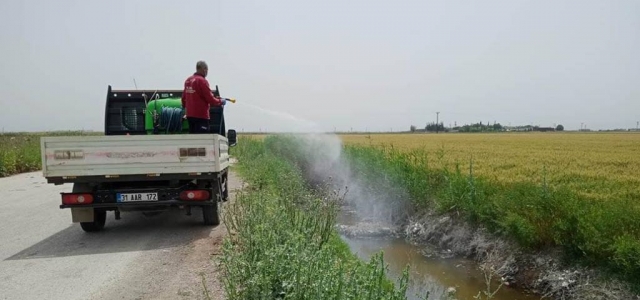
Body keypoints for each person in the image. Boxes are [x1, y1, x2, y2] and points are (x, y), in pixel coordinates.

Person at [181, 60, 226, 134]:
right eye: (207, 70)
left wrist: (185, 109)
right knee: (202, 139)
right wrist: (221, 101)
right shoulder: (202, 81)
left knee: (193, 137)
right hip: (201, 116)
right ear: (204, 69)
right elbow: (210, 99)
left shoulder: (188, 80)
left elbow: (183, 98)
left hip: (190, 116)